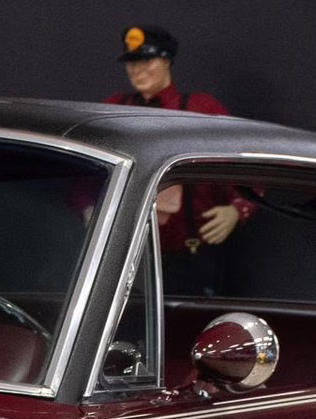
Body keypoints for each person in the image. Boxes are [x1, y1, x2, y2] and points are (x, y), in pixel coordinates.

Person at [105, 23, 251, 252]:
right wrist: (87, 205)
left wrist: (238, 208)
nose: (137, 70)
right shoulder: (115, 109)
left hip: (189, 251)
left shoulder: (201, 109)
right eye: (132, 63)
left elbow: (245, 158)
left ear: (166, 61)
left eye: (146, 61)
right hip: (126, 251)